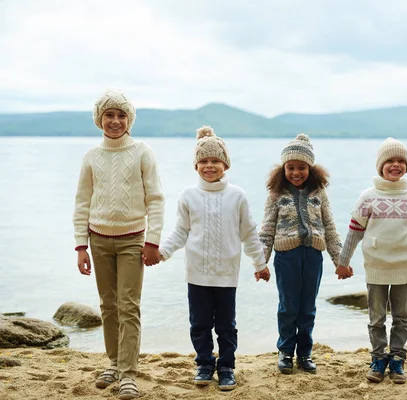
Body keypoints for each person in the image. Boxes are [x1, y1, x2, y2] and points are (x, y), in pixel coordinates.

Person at [158, 126, 270, 391]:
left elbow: (249, 233)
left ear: (225, 164)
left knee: (226, 326)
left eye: (215, 161)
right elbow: (180, 232)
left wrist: (260, 263)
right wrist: (162, 252)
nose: (210, 166)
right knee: (199, 324)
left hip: (226, 274)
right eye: (204, 161)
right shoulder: (188, 196)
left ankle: (227, 366)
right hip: (197, 274)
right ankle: (205, 364)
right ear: (196, 165)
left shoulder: (237, 196)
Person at [337, 138, 407, 384]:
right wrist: (343, 261)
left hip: (404, 267)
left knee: (401, 317)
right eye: (390, 160)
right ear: (381, 166)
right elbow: (354, 232)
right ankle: (378, 358)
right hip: (376, 266)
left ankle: (398, 359)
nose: (395, 165)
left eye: (401, 161)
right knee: (376, 318)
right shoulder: (368, 197)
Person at [73, 89, 164, 400]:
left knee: (129, 306)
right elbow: (82, 203)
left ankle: (128, 374)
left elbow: (155, 199)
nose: (115, 120)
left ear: (130, 119)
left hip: (132, 240)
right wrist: (80, 246)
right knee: (107, 307)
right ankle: (113, 363)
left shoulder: (142, 152)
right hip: (98, 241)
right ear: (100, 119)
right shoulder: (91, 157)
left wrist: (153, 240)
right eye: (109, 115)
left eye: (121, 115)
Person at [259, 133, 345, 375]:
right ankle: (285, 351)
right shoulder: (276, 194)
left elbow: (329, 227)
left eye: (302, 167)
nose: (296, 172)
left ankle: (304, 353)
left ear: (311, 168)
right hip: (286, 257)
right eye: (291, 167)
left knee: (307, 308)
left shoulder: (319, 193)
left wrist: (340, 260)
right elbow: (266, 229)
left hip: (313, 257)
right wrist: (260, 261)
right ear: (283, 168)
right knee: (288, 307)